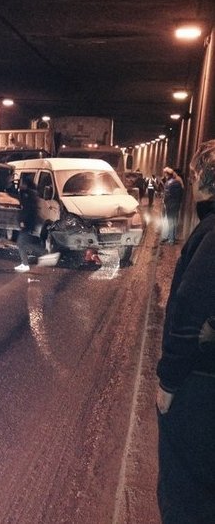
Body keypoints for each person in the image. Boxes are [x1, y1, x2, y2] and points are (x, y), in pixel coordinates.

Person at [156, 139, 215, 523]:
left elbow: (190, 309)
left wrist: (168, 382)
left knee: (185, 490)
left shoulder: (212, 233)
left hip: (200, 383)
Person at [14, 176, 60, 272]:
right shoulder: (31, 194)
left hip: (28, 223)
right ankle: (44, 254)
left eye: (22, 183)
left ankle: (26, 264)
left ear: (26, 184)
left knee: (21, 242)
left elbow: (27, 210)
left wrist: (23, 221)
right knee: (26, 242)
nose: (20, 185)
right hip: (30, 222)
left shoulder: (29, 195)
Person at [161, 167, 183, 244]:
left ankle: (171, 240)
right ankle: (172, 238)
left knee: (170, 222)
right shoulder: (178, 183)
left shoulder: (168, 183)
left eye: (165, 174)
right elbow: (181, 195)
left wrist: (165, 203)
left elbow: (166, 196)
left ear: (167, 174)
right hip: (176, 205)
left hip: (170, 205)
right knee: (173, 221)